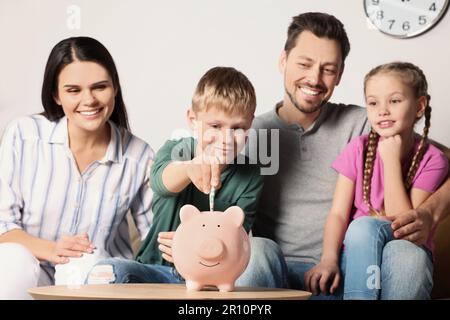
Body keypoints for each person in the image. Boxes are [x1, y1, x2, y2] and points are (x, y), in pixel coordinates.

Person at [238, 12, 450, 299]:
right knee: (257, 250)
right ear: (283, 61)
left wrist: (428, 212)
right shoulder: (251, 133)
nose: (314, 78)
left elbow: (430, 155)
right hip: (276, 270)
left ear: (339, 74)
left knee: (407, 254)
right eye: (304, 63)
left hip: (349, 268)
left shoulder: (366, 122)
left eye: (328, 69)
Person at [0, 37, 154, 299]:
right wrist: (52, 249)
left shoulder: (139, 156)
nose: (89, 100)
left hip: (93, 278)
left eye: (100, 87)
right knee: (12, 260)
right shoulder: (23, 135)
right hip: (26, 272)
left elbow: (153, 240)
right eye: (73, 90)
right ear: (55, 95)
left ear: (115, 87)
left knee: (84, 263)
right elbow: (2, 223)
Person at [87, 66, 263, 284]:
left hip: (213, 276)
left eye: (238, 128)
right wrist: (190, 168)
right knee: (108, 270)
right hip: (156, 268)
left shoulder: (250, 175)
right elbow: (161, 183)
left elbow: (236, 238)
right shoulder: (175, 150)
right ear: (192, 120)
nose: (226, 138)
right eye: (215, 126)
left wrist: (189, 247)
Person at [304, 62, 448, 300]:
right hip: (355, 257)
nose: (382, 110)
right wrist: (328, 259)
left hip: (403, 253)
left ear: (419, 106)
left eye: (394, 101)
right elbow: (338, 214)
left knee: (370, 229)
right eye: (373, 103)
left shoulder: (433, 159)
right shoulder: (356, 149)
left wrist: (390, 160)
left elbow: (404, 225)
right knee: (360, 230)